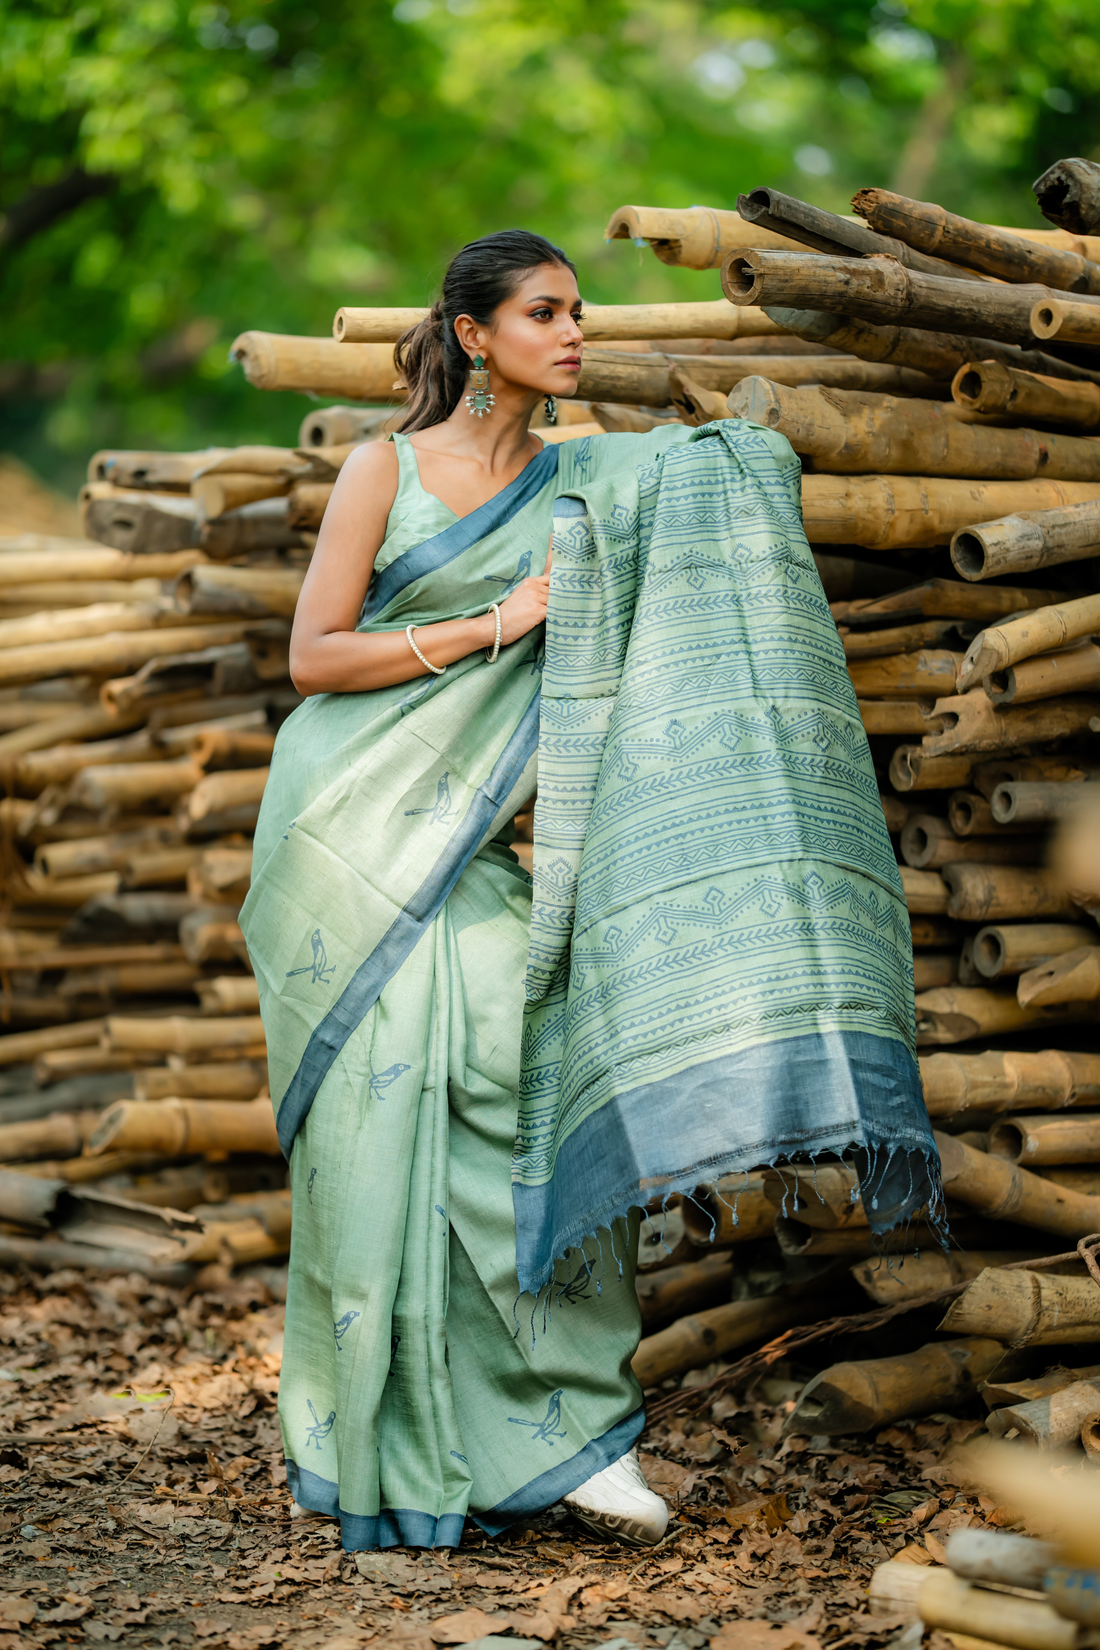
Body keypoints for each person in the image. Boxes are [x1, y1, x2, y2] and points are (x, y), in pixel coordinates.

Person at [239, 229, 942, 1555]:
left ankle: (571, 1428)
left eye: (579, 313)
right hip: (350, 833)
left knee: (537, 1080)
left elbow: (724, 467)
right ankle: (388, 1435)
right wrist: (504, 619)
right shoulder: (384, 468)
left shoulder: (585, 474)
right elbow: (314, 655)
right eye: (545, 312)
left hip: (475, 852)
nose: (574, 334)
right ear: (473, 334)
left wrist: (743, 451)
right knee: (378, 1125)